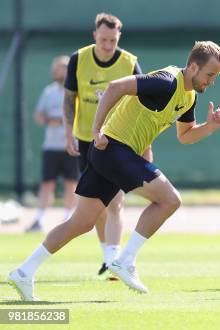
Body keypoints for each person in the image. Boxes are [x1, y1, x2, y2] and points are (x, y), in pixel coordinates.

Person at [8, 41, 220, 301]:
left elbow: (186, 136)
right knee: (169, 200)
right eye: (210, 74)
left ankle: (24, 271)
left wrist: (209, 127)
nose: (212, 81)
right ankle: (125, 261)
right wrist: (96, 130)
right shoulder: (166, 81)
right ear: (192, 67)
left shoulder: (189, 96)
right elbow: (116, 87)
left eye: (216, 76)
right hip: (113, 149)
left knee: (81, 222)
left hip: (111, 154)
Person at [63, 13, 143, 278]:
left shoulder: (129, 62)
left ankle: (114, 257)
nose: (108, 45)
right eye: (104, 39)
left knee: (115, 201)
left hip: (117, 139)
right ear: (95, 35)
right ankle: (107, 254)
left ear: (118, 38)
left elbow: (143, 104)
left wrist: (143, 142)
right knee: (94, 204)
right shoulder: (79, 59)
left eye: (113, 40)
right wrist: (68, 133)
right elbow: (69, 98)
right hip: (86, 139)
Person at [28, 56, 79, 232]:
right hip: (51, 147)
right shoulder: (48, 92)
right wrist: (49, 120)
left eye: (62, 67)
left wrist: (67, 123)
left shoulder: (77, 91)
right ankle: (39, 219)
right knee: (47, 183)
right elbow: (39, 115)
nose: (58, 71)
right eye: (56, 68)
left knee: (71, 183)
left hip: (71, 145)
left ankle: (67, 218)